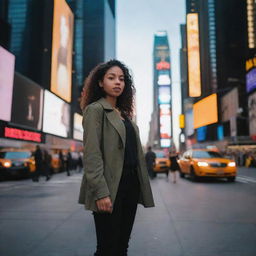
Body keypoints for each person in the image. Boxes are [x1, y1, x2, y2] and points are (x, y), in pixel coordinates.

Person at [78, 59, 155, 256]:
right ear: (100, 83)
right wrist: (101, 192)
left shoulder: (125, 116)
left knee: (122, 245)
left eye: (121, 79)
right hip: (110, 185)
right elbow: (92, 154)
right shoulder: (95, 110)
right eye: (111, 78)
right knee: (107, 247)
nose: (117, 82)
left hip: (131, 184)